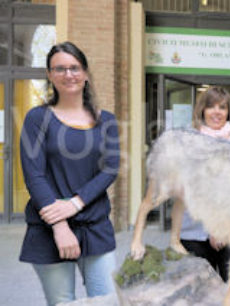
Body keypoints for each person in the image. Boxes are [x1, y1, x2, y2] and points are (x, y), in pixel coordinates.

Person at [18, 42, 120, 306]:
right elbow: (34, 175)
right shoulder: (37, 118)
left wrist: (75, 203)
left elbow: (110, 168)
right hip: (50, 230)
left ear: (85, 73)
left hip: (94, 226)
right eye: (60, 69)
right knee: (64, 303)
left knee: (108, 301)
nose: (68, 74)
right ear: (50, 75)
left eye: (74, 68)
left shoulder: (106, 120)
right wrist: (60, 226)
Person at [178, 86, 230, 283]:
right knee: (198, 295)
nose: (216, 112)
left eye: (222, 107)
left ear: (228, 113)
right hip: (194, 232)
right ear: (202, 111)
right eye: (211, 107)